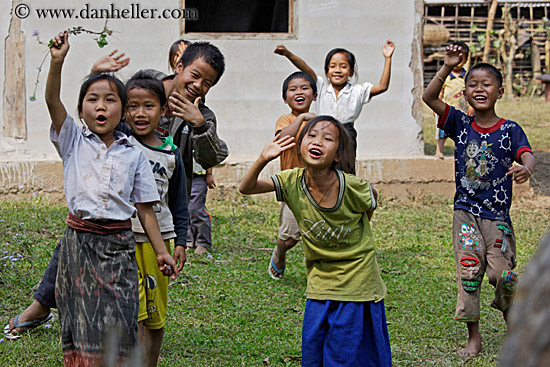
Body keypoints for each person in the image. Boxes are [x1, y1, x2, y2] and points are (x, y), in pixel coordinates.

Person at [5, 44, 229, 339]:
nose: (198, 85)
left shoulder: (202, 115)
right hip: (109, 195)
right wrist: (96, 73)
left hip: (154, 211)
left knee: (135, 290)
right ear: (178, 64)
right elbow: (98, 109)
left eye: (208, 83)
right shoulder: (140, 86)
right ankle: (44, 305)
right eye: (196, 75)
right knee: (75, 244)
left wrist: (198, 124)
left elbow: (211, 159)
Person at [45, 31, 178, 365]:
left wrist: (162, 253)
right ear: (81, 108)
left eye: (110, 99)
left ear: (125, 111)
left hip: (118, 246)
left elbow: (146, 209)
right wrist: (57, 61)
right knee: (81, 318)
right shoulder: (73, 140)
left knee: (120, 316)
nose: (101, 106)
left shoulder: (133, 154)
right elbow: (52, 101)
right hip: (79, 243)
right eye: (93, 99)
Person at [239, 116, 391, 366]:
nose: (317, 141)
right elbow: (247, 188)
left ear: (339, 155)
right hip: (319, 283)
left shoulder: (353, 187)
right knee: (314, 353)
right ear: (300, 145)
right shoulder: (291, 181)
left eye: (328, 138)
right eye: (311, 135)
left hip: (357, 284)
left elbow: (371, 198)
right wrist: (263, 158)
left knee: (345, 356)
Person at [422, 44, 535, 357]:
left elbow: (527, 154)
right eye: (473, 84)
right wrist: (446, 67)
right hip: (466, 214)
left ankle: (513, 319)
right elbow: (429, 98)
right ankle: (474, 337)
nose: (479, 89)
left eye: (487, 84)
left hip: (497, 217)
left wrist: (525, 168)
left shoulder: (510, 129)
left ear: (499, 91)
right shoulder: (459, 124)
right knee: (470, 273)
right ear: (464, 93)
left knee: (503, 276)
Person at [124, 71, 188, 367]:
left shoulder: (171, 153)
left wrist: (182, 242)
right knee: (131, 309)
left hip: (159, 239)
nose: (140, 113)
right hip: (122, 238)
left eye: (148, 105)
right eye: (132, 106)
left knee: (155, 312)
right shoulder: (120, 145)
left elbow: (179, 201)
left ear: (164, 110)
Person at [274, 40, 395, 165]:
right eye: (332, 66)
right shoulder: (321, 87)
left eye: (343, 66)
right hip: (323, 129)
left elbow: (382, 86)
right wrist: (288, 54)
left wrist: (388, 58)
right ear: (326, 72)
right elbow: (306, 69)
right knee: (323, 166)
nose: (337, 70)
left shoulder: (358, 90)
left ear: (351, 72)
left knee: (346, 167)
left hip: (347, 132)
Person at [268, 71, 317, 279]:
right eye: (293, 89)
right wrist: (303, 119)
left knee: (318, 232)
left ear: (314, 95)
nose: (299, 92)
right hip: (293, 185)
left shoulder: (320, 121)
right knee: (289, 238)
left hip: (318, 185)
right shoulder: (285, 120)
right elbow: (281, 140)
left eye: (305, 88)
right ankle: (279, 252)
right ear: (285, 97)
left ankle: (320, 272)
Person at [435, 41, 474, 159]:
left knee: (464, 132)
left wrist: (472, 107)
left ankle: (464, 151)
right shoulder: (445, 75)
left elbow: (472, 92)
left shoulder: (468, 77)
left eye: (460, 59)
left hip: (463, 110)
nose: (457, 62)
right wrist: (436, 105)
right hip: (446, 109)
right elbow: (439, 91)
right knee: (442, 132)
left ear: (466, 60)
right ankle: (439, 150)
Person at [187, 161, 216, 255]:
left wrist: (209, 174)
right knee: (183, 209)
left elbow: (207, 154)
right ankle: (187, 241)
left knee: (196, 208)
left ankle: (203, 242)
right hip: (179, 174)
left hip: (198, 176)